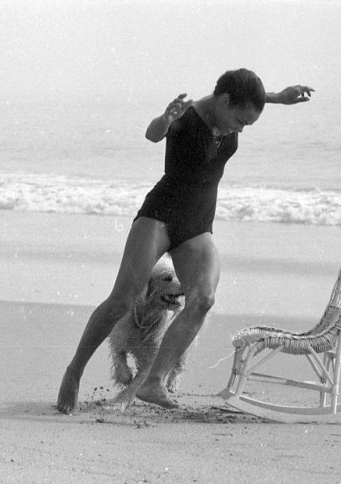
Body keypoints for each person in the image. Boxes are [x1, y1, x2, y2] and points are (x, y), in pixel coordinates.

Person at [56, 68, 314, 413]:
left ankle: (152, 381)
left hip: (197, 224)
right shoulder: (186, 117)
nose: (240, 129)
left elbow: (246, 97)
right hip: (160, 216)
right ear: (224, 102)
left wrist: (278, 97)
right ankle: (74, 370)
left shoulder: (231, 100)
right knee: (123, 299)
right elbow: (152, 134)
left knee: (203, 298)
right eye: (239, 120)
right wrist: (165, 118)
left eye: (246, 125)